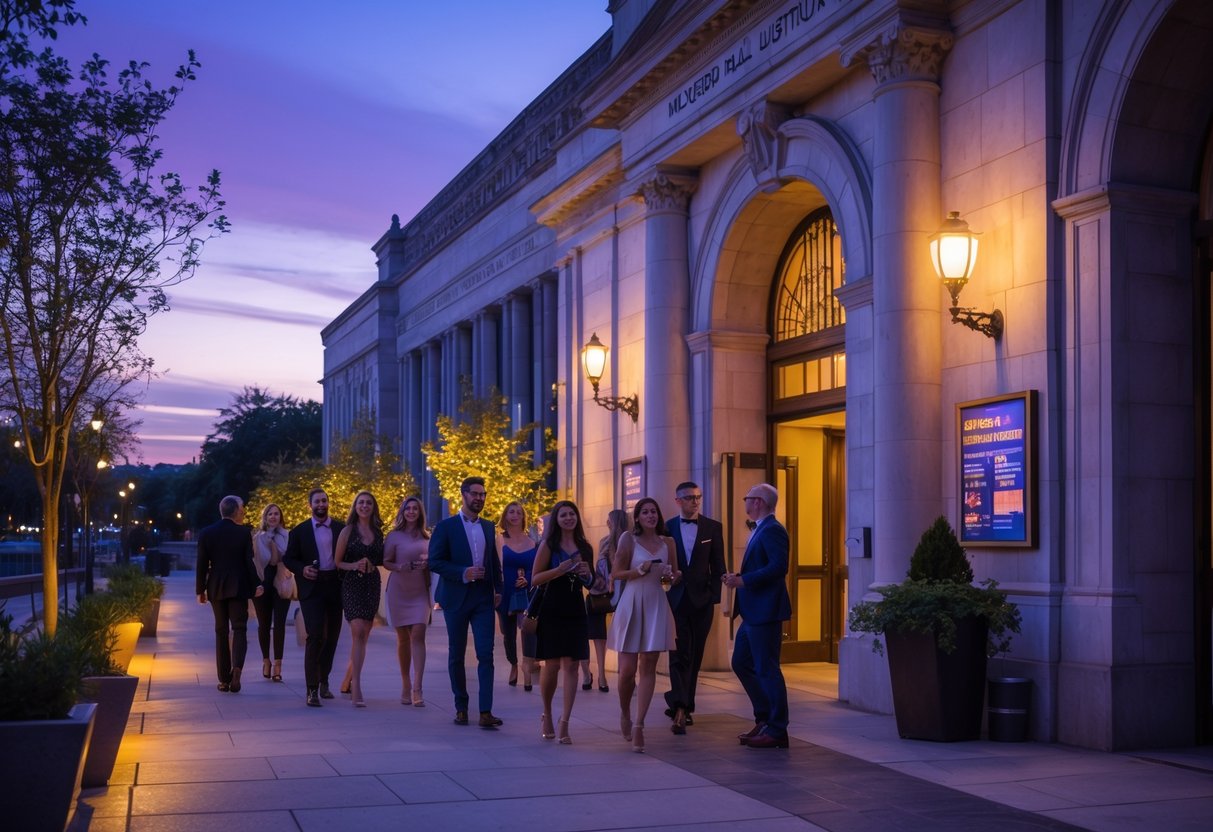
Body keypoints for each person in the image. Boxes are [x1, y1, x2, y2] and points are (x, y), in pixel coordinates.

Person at [428, 476, 505, 728]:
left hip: (483, 598)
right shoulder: (445, 527)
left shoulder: (489, 527)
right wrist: (463, 572)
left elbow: (493, 561)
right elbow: (435, 561)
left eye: (483, 494)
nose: (479, 498)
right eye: (475, 494)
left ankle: (485, 711)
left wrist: (499, 589)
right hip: (456, 597)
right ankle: (461, 707)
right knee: (456, 654)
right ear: (463, 494)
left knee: (486, 654)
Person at [607, 497, 680, 752]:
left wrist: (671, 576)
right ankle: (625, 712)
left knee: (648, 665)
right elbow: (616, 574)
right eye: (645, 512)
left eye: (654, 512)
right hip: (632, 602)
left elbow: (674, 576)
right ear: (637, 517)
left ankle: (639, 724)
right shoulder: (629, 538)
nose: (650, 515)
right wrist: (639, 571)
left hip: (656, 603)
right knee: (627, 671)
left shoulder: (668, 542)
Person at [723, 482, 792, 749]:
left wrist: (744, 581)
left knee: (767, 669)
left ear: (759, 502)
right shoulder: (760, 529)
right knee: (741, 663)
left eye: (747, 498)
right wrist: (738, 578)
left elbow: (778, 567)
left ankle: (777, 729)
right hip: (753, 612)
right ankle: (764, 718)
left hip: (765, 611)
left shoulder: (773, 530)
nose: (745, 502)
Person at [663, 481, 726, 734]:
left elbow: (718, 565)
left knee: (695, 655)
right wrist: (666, 586)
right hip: (676, 600)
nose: (695, 501)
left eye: (698, 497)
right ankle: (680, 707)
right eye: (689, 497)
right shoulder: (666, 528)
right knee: (678, 654)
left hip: (702, 602)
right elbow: (662, 566)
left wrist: (713, 596)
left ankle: (684, 705)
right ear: (678, 500)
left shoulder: (713, 527)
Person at [531, 500, 594, 744]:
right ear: (556, 520)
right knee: (553, 665)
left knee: (572, 665)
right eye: (563, 515)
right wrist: (560, 570)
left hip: (576, 608)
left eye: (572, 514)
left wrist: (587, 574)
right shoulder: (549, 544)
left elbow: (592, 584)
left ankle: (565, 721)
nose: (568, 518)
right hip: (552, 608)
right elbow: (535, 578)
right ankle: (546, 712)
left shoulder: (584, 546)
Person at [282, 488, 346, 707]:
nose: (321, 504)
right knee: (315, 635)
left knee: (332, 637)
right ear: (310, 505)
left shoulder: (341, 528)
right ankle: (312, 689)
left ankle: (324, 680)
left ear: (328, 503)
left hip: (335, 586)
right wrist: (302, 569)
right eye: (317, 501)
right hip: (312, 588)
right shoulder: (299, 531)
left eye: (324, 500)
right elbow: (289, 558)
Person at [195, 495, 263, 693]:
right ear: (235, 511)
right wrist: (256, 585)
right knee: (240, 628)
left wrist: (200, 589)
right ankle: (238, 670)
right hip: (239, 585)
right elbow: (248, 562)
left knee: (221, 631)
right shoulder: (243, 533)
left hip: (216, 586)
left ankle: (224, 679)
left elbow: (201, 564)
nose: (243, 511)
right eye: (242, 508)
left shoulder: (207, 533)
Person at [334, 490, 384, 708]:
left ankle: (347, 679)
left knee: (365, 634)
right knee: (358, 632)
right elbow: (337, 562)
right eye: (361, 502)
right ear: (355, 506)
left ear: (373, 508)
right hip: (352, 584)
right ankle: (357, 686)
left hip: (371, 584)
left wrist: (374, 564)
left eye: (368, 503)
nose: (364, 506)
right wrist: (355, 565)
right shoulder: (347, 531)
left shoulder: (378, 532)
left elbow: (382, 559)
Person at [383, 495, 431, 707]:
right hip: (398, 590)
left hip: (420, 591)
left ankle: (418, 687)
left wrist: (427, 565)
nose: (411, 511)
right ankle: (405, 683)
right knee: (403, 639)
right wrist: (399, 567)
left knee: (419, 634)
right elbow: (386, 561)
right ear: (402, 512)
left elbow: (433, 563)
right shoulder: (393, 536)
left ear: (420, 512)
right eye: (407, 508)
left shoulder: (427, 538)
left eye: (415, 508)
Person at [496, 501, 537, 692]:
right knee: (508, 632)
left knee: (528, 630)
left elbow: (536, 567)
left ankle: (527, 667)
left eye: (518, 512)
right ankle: (513, 663)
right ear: (505, 516)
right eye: (511, 512)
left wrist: (527, 579)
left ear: (523, 517)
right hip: (505, 591)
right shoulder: (499, 539)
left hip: (526, 591)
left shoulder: (532, 542)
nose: (514, 515)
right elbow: (497, 566)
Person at [586, 509, 628, 694]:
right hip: (603, 592)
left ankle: (625, 675)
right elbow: (599, 569)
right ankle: (601, 674)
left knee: (624, 635)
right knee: (597, 630)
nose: (607, 522)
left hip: (624, 591)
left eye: (609, 520)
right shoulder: (604, 542)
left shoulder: (630, 541)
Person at [251, 503, 292, 683]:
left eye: (276, 514)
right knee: (264, 624)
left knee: (280, 624)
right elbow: (257, 561)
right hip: (263, 582)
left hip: (282, 581)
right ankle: (266, 660)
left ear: (280, 517)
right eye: (270, 514)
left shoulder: (287, 536)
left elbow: (281, 559)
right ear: (265, 517)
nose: (273, 517)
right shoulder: (258, 538)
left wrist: (274, 546)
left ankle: (278, 664)